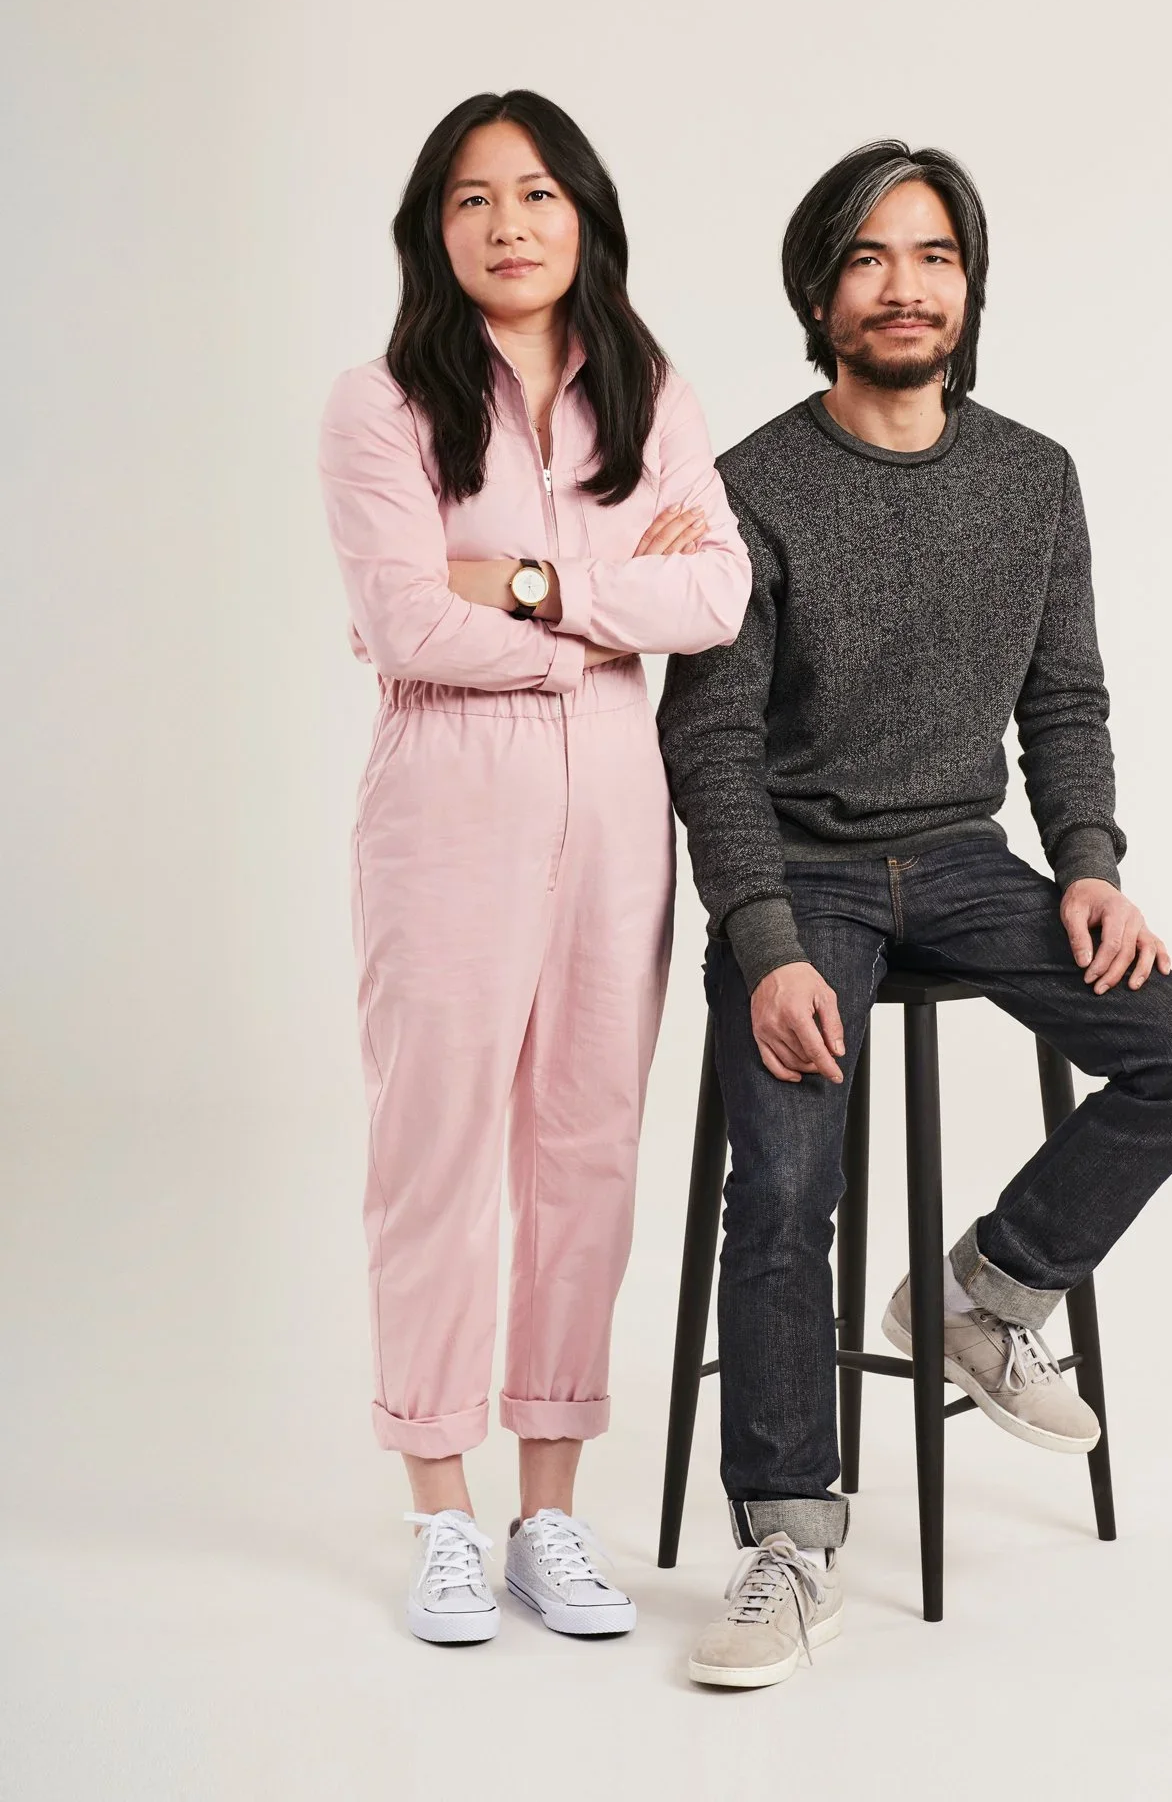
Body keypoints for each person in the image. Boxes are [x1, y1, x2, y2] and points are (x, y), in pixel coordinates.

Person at [657, 139, 1172, 1688]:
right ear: (819, 296)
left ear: (970, 287)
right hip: (803, 877)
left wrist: (1092, 863)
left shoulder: (1032, 478)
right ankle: (792, 1540)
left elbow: (1065, 700)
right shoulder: (752, 489)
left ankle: (985, 1290)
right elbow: (708, 743)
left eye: (933, 256)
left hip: (968, 864)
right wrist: (764, 943)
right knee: (786, 1190)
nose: (904, 286)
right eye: (868, 258)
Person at [319, 90, 750, 1645]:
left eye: (539, 193)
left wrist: (514, 582)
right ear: (433, 230)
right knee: (434, 1142)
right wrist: (595, 615)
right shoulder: (381, 407)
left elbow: (715, 593)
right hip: (447, 797)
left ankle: (547, 1513)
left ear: (586, 216)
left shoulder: (650, 392)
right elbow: (401, 621)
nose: (509, 224)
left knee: (587, 1148)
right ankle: (441, 1506)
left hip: (620, 807)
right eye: (473, 199)